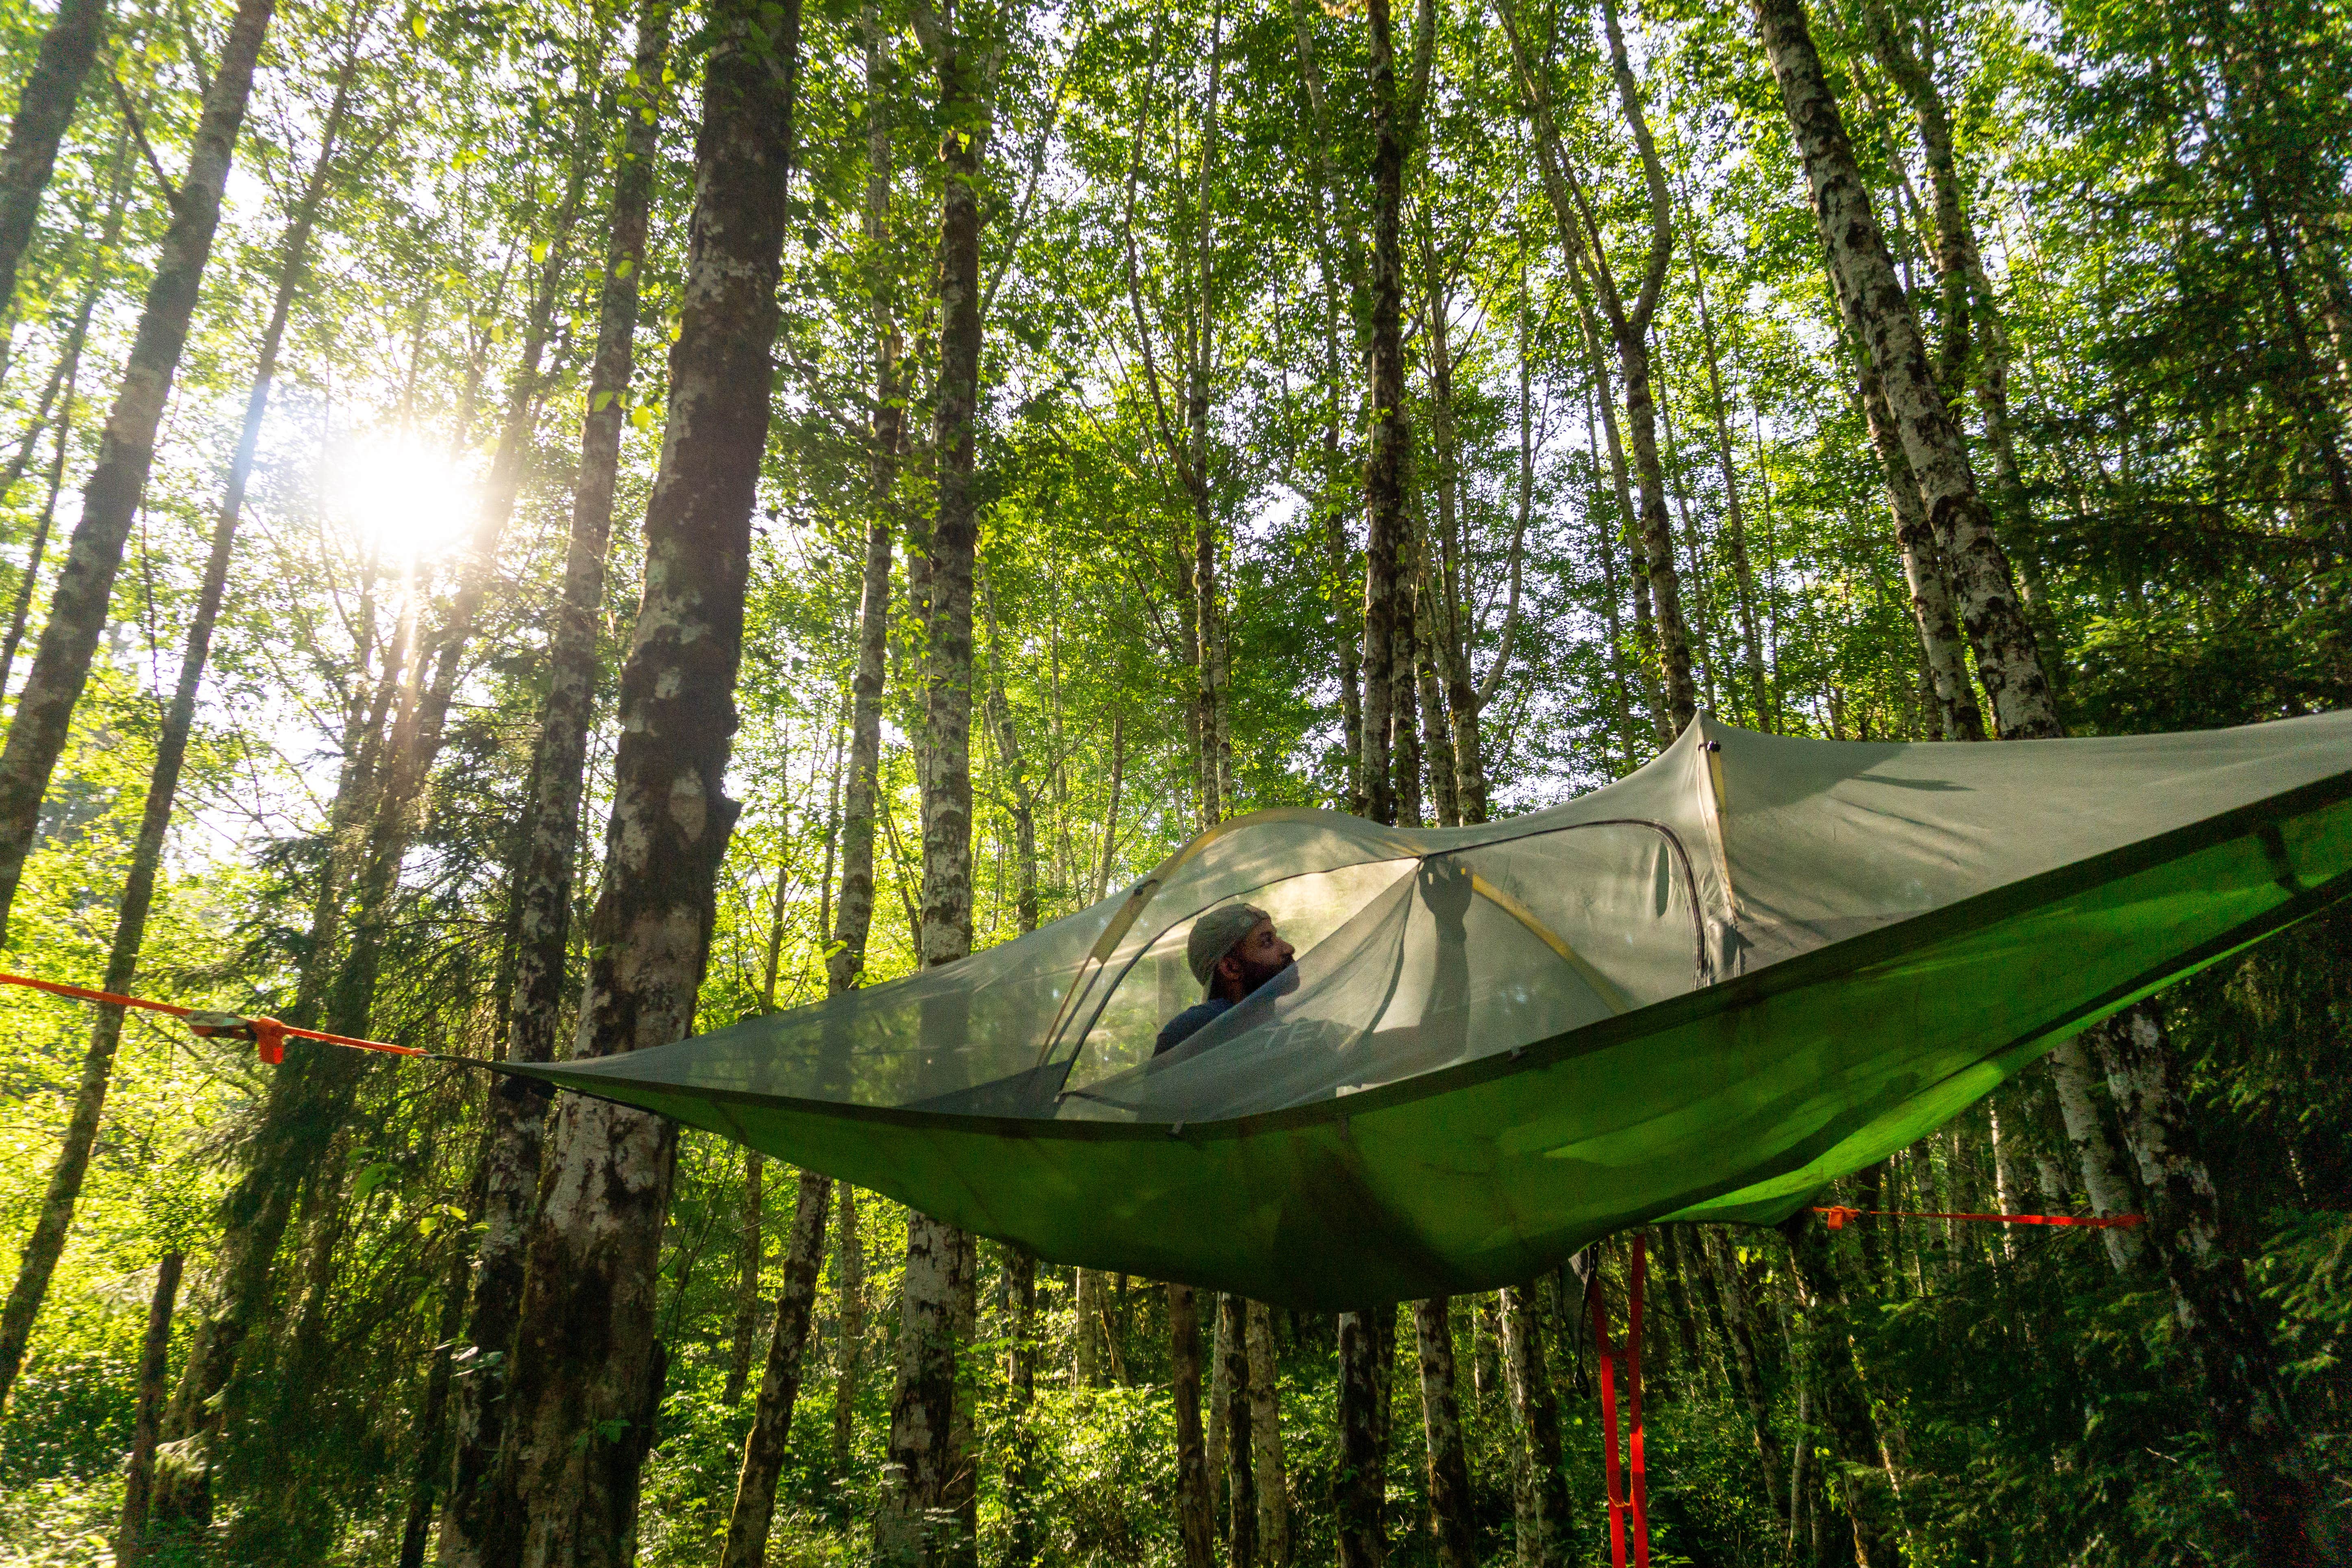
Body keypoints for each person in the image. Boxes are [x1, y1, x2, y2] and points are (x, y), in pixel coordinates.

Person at [1154, 902, 1296, 1057]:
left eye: (1278, 937)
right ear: (1231, 968)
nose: (1289, 948)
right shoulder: (1197, 1027)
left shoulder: (1277, 1026)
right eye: (1268, 942)